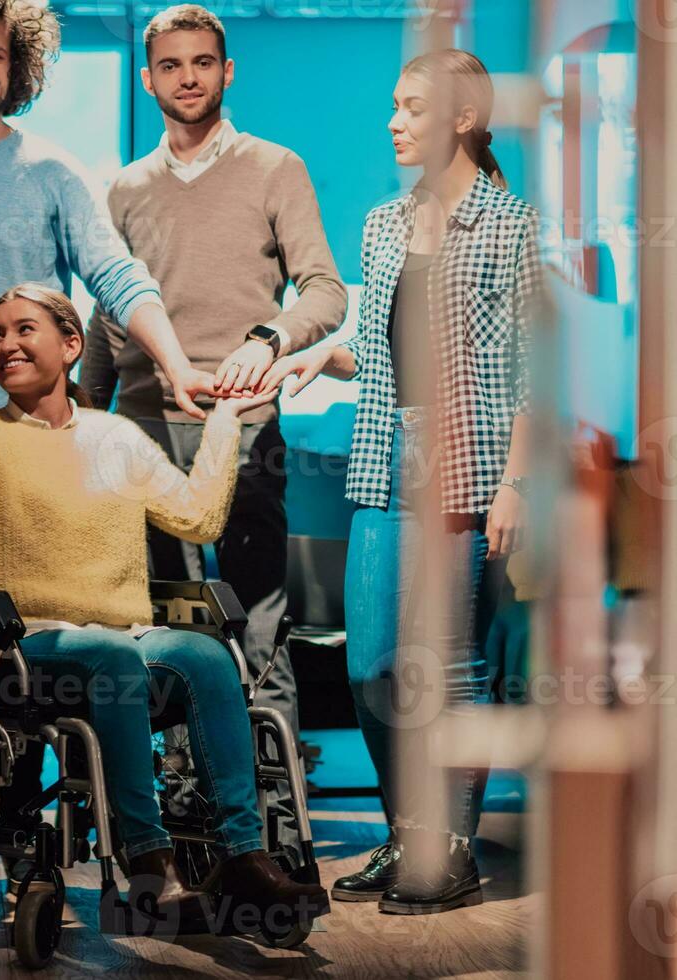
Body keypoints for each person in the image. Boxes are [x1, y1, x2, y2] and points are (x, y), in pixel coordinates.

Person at [0, 0, 222, 839]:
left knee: (23, 661)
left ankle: (26, 840)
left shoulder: (54, 173)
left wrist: (177, 367)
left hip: (28, 462)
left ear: (17, 66)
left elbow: (117, 277)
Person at [0, 283, 330, 928]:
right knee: (110, 655)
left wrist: (224, 418)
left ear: (72, 345)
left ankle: (243, 856)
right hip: (28, 649)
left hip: (125, 640)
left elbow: (198, 517)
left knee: (206, 653)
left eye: (24, 329)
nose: (6, 344)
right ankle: (147, 860)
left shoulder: (118, 436)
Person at [261, 48, 541, 914]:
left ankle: (450, 849)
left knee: (448, 669)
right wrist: (321, 360)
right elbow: (386, 350)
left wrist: (517, 486)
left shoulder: (509, 225)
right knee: (374, 667)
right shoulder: (384, 223)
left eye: (412, 107)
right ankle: (405, 834)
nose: (393, 121)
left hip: (468, 463)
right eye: (392, 104)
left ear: (461, 117)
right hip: (384, 457)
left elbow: (537, 371)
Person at [85, 5, 346, 746]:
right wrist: (82, 418)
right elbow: (110, 318)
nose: (187, 77)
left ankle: (271, 816)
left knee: (257, 622)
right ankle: (181, 807)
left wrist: (271, 338)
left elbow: (324, 292)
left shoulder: (275, 167)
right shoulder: (126, 189)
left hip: (245, 428)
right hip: (141, 434)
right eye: (171, 65)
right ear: (148, 80)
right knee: (164, 626)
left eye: (202, 62)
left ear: (226, 71)